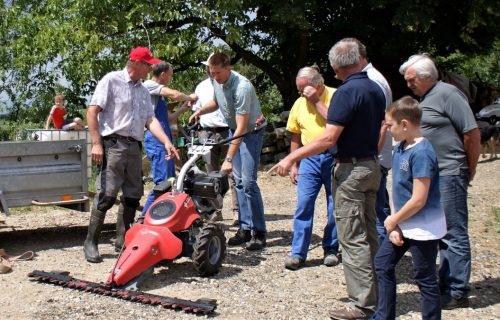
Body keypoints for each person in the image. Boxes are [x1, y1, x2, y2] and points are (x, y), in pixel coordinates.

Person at [269, 38, 385, 319]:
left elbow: (329, 137)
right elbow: (380, 127)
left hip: (352, 170)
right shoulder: (375, 88)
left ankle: (362, 305)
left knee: (353, 236)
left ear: (334, 66)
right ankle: (380, 292)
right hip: (371, 166)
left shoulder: (346, 92)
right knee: (370, 233)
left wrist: (290, 157)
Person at [399, 54, 481, 309]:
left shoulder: (448, 94)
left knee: (454, 231)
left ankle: (457, 290)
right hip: (433, 175)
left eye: (411, 80)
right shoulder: (426, 99)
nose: (408, 84)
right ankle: (446, 284)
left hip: (449, 171)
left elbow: (472, 133)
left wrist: (469, 168)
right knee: (441, 230)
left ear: (426, 77)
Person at [84, 46, 179, 263]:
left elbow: (150, 120)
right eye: (148, 64)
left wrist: (166, 141)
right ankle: (91, 242)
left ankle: (122, 241)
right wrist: (97, 144)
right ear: (137, 63)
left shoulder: (144, 90)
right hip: (113, 144)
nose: (150, 68)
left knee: (133, 196)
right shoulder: (111, 80)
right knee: (107, 195)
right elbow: (92, 112)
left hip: (134, 146)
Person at [372, 96, 446, 320]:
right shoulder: (401, 148)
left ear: (404, 124)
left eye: (390, 125)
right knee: (383, 263)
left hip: (423, 228)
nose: (388, 129)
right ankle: (385, 315)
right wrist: (394, 223)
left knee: (424, 277)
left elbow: (419, 199)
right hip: (402, 223)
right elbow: (397, 187)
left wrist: (393, 221)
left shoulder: (422, 153)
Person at [189, 52, 267, 251]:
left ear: (228, 67)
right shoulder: (216, 81)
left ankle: (259, 232)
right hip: (236, 130)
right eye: (212, 73)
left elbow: (242, 128)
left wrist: (229, 158)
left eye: (218, 73)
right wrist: (199, 112)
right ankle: (245, 228)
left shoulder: (242, 87)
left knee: (248, 182)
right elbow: (216, 102)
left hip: (250, 131)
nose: (215, 77)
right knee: (239, 183)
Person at [283, 66, 339, 270]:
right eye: (299, 90)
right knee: (304, 204)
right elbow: (295, 135)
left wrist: (316, 100)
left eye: (304, 89)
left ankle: (331, 249)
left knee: (334, 205)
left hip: (334, 156)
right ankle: (298, 253)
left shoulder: (336, 96)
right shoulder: (299, 104)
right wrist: (294, 163)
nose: (302, 93)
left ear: (318, 85)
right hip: (309, 158)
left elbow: (337, 122)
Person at [141, 61, 197, 216]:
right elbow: (174, 94)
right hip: (156, 139)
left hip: (163, 139)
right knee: (163, 183)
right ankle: (144, 218)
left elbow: (167, 118)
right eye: (170, 75)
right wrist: (189, 96)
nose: (171, 79)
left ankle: (162, 216)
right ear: (163, 75)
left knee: (170, 180)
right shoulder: (149, 85)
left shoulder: (158, 96)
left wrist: (183, 108)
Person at [355, 39, 394, 242]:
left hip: (375, 158)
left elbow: (382, 123)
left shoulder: (372, 80)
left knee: (377, 211)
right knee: (375, 209)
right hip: (375, 156)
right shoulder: (371, 78)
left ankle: (381, 259)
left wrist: (372, 155)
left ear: (359, 57)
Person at [192, 58, 239, 224]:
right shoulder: (201, 86)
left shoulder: (229, 84)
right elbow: (196, 109)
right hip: (206, 132)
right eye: (209, 68)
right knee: (210, 174)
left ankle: (236, 211)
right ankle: (215, 210)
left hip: (227, 131)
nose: (211, 71)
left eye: (215, 69)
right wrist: (198, 128)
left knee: (232, 172)